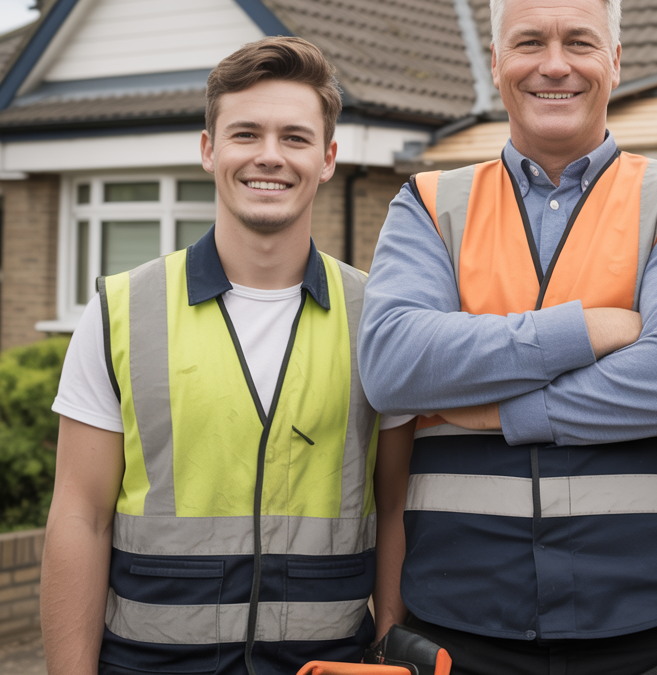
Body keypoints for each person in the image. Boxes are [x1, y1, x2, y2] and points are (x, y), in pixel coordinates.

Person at [357, 0, 657, 675]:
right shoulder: (428, 203)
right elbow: (392, 366)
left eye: (579, 41)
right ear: (497, 62)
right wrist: (590, 330)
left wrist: (494, 409)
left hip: (640, 634)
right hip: (456, 631)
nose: (555, 63)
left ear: (616, 60)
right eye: (529, 41)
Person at [40, 37, 413, 675]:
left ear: (326, 159)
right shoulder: (119, 312)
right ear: (210, 149)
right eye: (246, 134)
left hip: (328, 664)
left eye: (295, 138)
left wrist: (390, 654)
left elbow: (398, 509)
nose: (270, 156)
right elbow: (80, 515)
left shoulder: (381, 317)